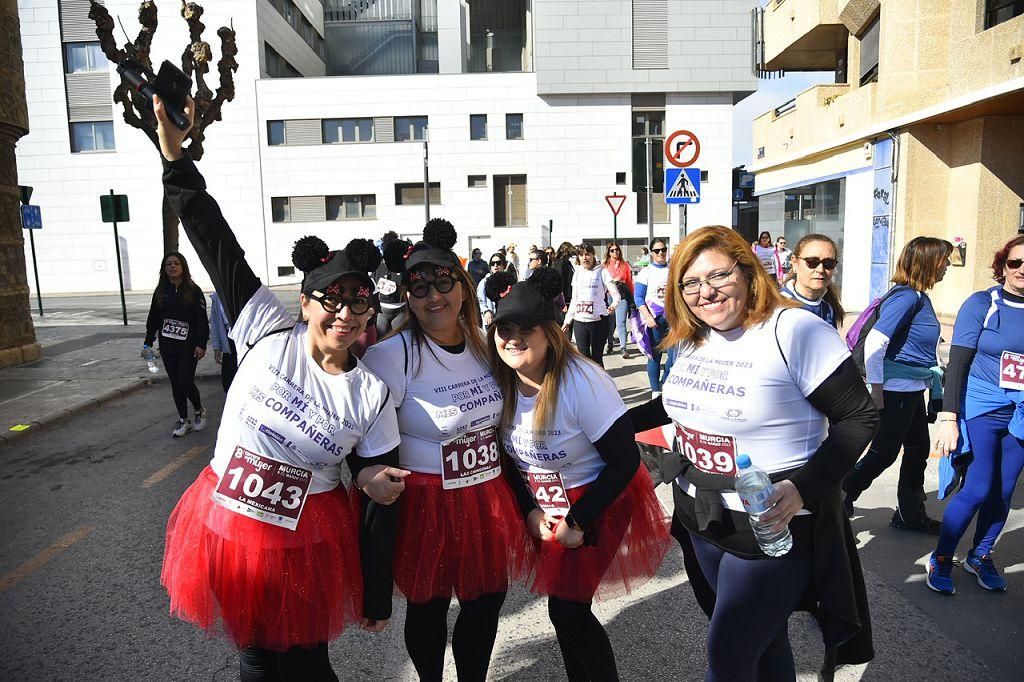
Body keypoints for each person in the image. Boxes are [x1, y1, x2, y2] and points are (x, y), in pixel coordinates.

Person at [154, 95, 406, 680]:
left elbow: (379, 497)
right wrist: (176, 159)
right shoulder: (267, 325)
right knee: (256, 655)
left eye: (359, 303)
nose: (345, 314)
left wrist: (375, 590)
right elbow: (216, 244)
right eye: (332, 300)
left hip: (306, 538)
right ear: (305, 301)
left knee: (306, 660)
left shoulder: (370, 394)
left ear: (370, 313)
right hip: (230, 524)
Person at [629, 225, 877, 681]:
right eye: (691, 283)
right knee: (765, 644)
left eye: (718, 276)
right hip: (702, 516)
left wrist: (803, 489)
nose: (706, 292)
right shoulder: (695, 335)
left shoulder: (796, 328)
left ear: (747, 272)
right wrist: (607, 427)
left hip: (769, 523)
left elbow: (860, 417)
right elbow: (673, 403)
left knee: (728, 658)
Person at [361, 220, 532, 682]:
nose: (433, 296)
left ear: (463, 286)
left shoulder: (484, 343)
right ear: (407, 296)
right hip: (426, 501)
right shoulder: (390, 355)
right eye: (419, 288)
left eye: (443, 282)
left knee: (485, 601)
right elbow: (361, 436)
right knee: (429, 605)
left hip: (485, 493)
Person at [484, 268, 670, 681]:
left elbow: (624, 461)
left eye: (525, 329)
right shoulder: (502, 381)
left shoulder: (581, 381)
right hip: (546, 504)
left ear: (548, 333)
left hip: (597, 500)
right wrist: (530, 512)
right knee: (566, 609)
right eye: (504, 328)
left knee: (566, 610)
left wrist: (577, 520)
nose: (512, 338)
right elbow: (508, 460)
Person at [927, 235, 1024, 594]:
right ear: (1003, 266)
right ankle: (940, 557)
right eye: (1015, 263)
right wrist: (949, 418)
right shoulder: (983, 303)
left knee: (1004, 491)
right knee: (979, 487)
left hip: (1022, 411)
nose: (1022, 270)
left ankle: (980, 556)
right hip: (982, 406)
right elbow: (959, 364)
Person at [843, 237, 954, 532]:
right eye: (945, 260)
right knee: (884, 453)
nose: (947, 266)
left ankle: (909, 513)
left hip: (911, 389)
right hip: (895, 391)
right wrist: (877, 389)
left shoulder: (918, 296)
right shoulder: (907, 297)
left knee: (918, 449)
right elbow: (877, 343)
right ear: (929, 262)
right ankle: (838, 501)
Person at [144, 251, 210, 437]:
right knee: (175, 383)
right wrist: (148, 341)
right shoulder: (160, 292)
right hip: (168, 346)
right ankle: (183, 420)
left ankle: (199, 410)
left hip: (188, 345)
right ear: (164, 269)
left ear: (183, 267)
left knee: (185, 381)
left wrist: (201, 344)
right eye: (168, 264)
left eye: (176, 263)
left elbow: (201, 319)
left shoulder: (193, 290)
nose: (172, 266)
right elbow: (153, 317)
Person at [563, 243, 621, 367]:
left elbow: (616, 295)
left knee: (597, 359)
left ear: (593, 256)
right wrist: (567, 321)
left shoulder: (602, 272)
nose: (585, 258)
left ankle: (601, 385)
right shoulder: (577, 273)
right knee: (584, 359)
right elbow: (575, 299)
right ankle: (588, 385)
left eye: (588, 254)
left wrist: (613, 306)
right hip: (580, 321)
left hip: (598, 321)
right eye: (581, 255)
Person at [634, 239, 674, 396]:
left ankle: (666, 384)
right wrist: (648, 317)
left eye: (663, 250)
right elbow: (638, 297)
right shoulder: (646, 272)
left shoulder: (673, 270)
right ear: (651, 253)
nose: (661, 253)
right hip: (654, 321)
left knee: (673, 357)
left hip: (672, 319)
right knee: (654, 357)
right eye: (657, 251)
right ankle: (655, 391)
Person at [780, 234, 845, 329]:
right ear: (794, 263)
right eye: (812, 262)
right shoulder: (778, 308)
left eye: (828, 263)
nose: (820, 269)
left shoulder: (829, 307)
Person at [374, 234, 412, 338]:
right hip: (383, 309)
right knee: (381, 339)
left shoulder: (404, 268)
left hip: (400, 309)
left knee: (399, 338)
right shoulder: (380, 267)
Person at [603, 242, 634, 359]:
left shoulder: (624, 265)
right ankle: (610, 343)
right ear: (608, 252)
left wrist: (633, 296)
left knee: (621, 322)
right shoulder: (604, 265)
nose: (615, 252)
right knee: (610, 323)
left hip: (622, 295)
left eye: (617, 250)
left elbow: (629, 282)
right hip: (609, 296)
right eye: (612, 250)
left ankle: (623, 348)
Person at [208, 291, 237, 393]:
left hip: (246, 340)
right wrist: (217, 347)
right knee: (228, 381)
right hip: (229, 340)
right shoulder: (217, 296)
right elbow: (215, 323)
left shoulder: (247, 290)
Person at [477, 252, 508, 330]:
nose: (495, 265)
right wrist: (486, 311)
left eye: (498, 263)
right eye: (492, 263)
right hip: (490, 320)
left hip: (506, 319)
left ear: (504, 265)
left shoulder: (509, 280)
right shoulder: (484, 282)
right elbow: (479, 300)